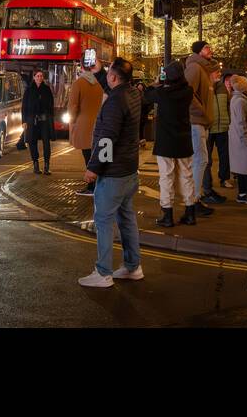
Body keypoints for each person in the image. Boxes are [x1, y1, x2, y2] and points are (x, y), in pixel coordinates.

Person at [79, 57, 143, 287]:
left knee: (103, 220)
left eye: (108, 75)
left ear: (114, 77)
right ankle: (133, 267)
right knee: (126, 218)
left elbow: (107, 139)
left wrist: (93, 169)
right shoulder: (133, 93)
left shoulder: (115, 103)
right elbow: (114, 89)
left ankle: (103, 272)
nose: (107, 78)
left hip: (113, 172)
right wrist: (99, 71)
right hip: (129, 170)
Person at [145, 59, 209, 226]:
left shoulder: (162, 93)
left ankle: (167, 214)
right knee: (186, 176)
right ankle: (190, 212)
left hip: (165, 142)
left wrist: (156, 83)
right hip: (183, 140)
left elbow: (146, 95)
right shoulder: (187, 91)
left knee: (166, 178)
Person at [185, 40, 224, 205]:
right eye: (206, 47)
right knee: (200, 160)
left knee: (201, 160)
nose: (211, 50)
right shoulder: (195, 67)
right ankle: (193, 199)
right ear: (198, 51)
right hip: (196, 121)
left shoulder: (205, 70)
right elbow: (188, 92)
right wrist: (200, 110)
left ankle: (195, 197)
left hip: (203, 122)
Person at [68, 64, 105, 196]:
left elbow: (73, 106)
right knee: (98, 155)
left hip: (83, 125)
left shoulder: (78, 84)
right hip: (100, 124)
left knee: (88, 156)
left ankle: (91, 185)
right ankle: (97, 184)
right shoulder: (100, 84)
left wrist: (71, 122)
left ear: (81, 68)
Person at [227, 73, 247, 203]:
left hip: (236, 138)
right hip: (243, 139)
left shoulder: (235, 99)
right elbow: (242, 122)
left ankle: (242, 193)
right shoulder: (241, 101)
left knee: (241, 168)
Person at [22, 70, 55, 174]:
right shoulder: (29, 90)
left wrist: (50, 117)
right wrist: (24, 121)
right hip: (32, 120)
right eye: (37, 76)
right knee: (32, 142)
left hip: (44, 120)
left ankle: (46, 166)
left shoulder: (47, 89)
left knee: (46, 142)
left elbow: (51, 105)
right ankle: (35, 165)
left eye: (41, 76)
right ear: (34, 77)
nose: (40, 78)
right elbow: (24, 107)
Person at [205, 71, 233, 192]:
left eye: (218, 73)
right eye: (216, 72)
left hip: (223, 126)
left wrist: (229, 120)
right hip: (209, 127)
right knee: (207, 157)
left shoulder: (223, 88)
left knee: (224, 155)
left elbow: (228, 105)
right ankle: (206, 181)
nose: (218, 74)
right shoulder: (205, 87)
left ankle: (224, 178)